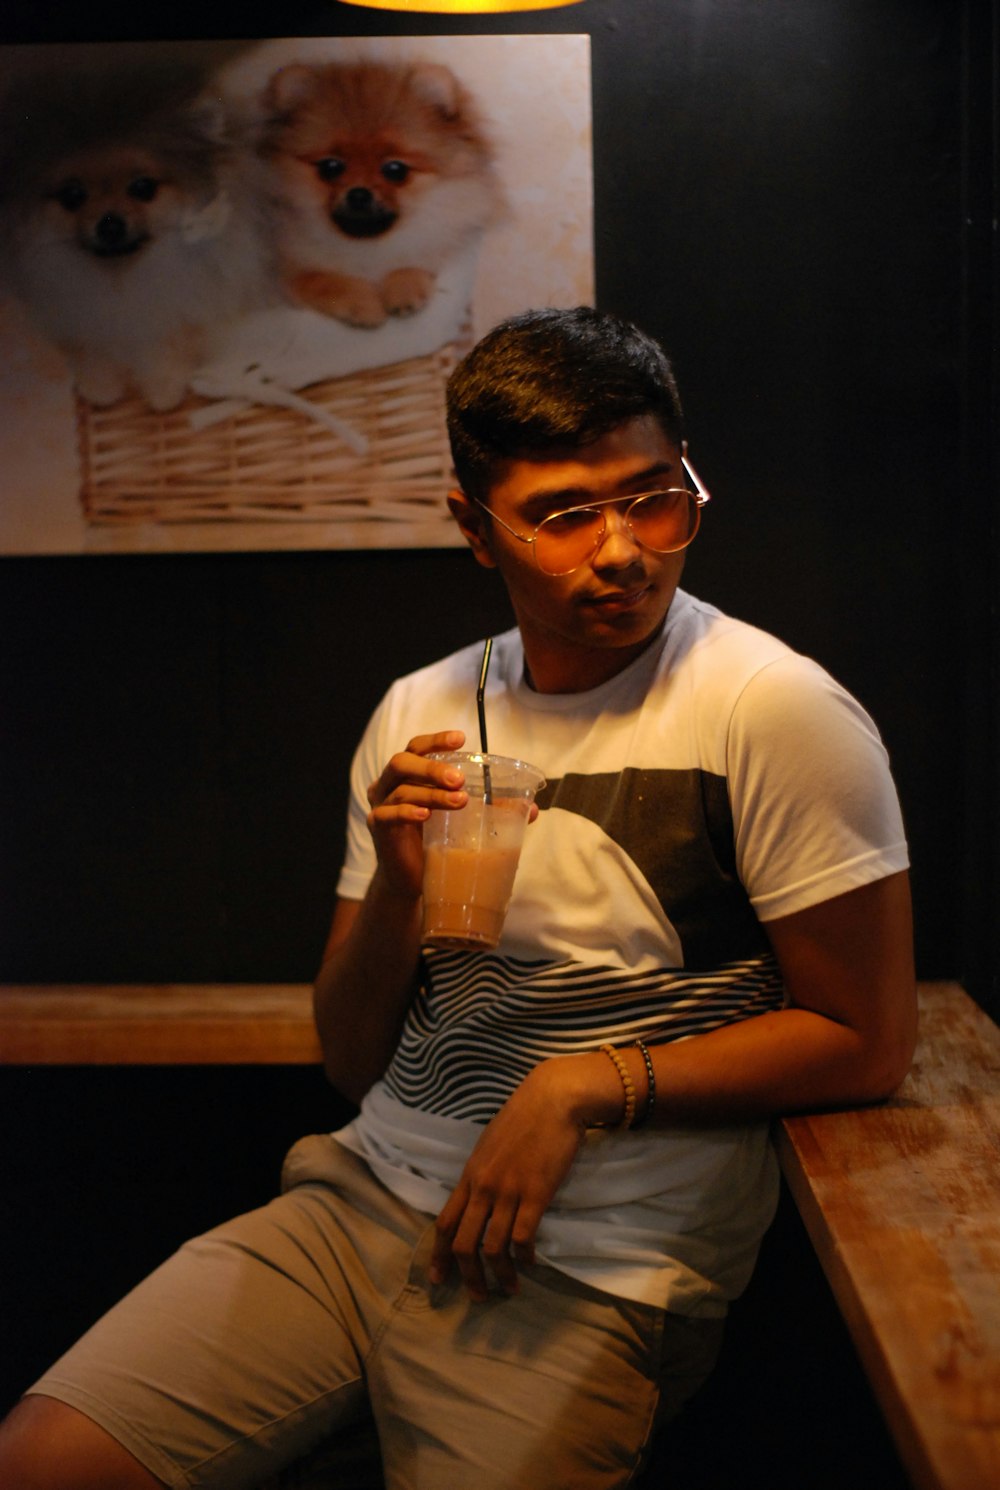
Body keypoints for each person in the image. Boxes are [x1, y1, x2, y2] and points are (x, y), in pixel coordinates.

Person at [0, 307, 916, 1490]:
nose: (624, 548)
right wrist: (396, 882)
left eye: (653, 496)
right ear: (473, 528)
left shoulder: (770, 708)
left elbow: (868, 1038)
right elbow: (349, 1052)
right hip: (363, 1201)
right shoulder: (419, 709)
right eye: (561, 515)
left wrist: (586, 1082)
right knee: (39, 1460)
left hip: (599, 1260)